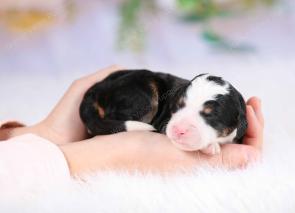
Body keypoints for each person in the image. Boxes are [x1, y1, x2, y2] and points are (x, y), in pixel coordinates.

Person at [0, 66, 264, 189]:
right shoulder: (169, 100)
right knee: (144, 94)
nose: (180, 126)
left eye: (208, 117)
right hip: (122, 92)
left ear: (235, 123)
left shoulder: (238, 122)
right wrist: (85, 158)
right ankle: (109, 124)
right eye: (180, 106)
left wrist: (50, 134)